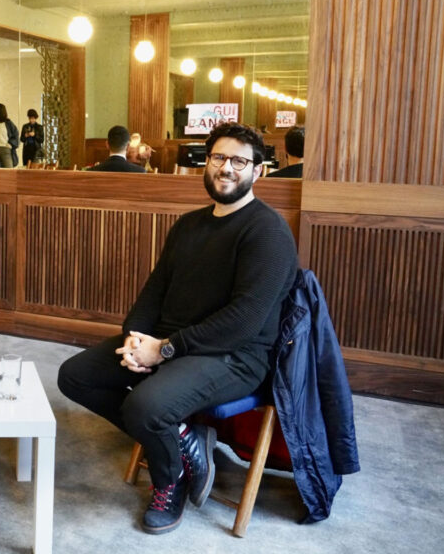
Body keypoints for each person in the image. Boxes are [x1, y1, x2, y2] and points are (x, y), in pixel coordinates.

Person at [57, 122, 298, 535]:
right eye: (219, 157)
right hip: (173, 343)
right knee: (75, 375)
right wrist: (135, 337)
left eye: (239, 161)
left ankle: (171, 479)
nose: (226, 168)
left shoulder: (269, 232)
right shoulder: (188, 225)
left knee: (145, 407)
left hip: (234, 357)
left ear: (258, 171)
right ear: (207, 163)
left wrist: (164, 349)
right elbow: (154, 291)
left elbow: (243, 322)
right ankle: (184, 437)